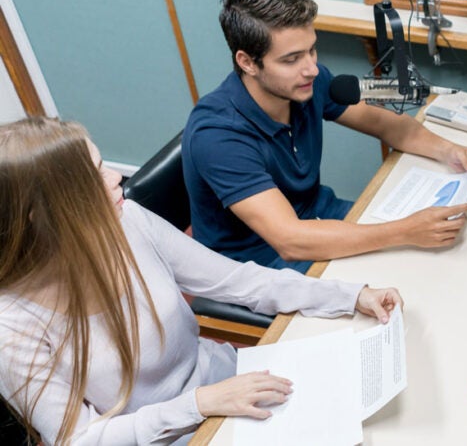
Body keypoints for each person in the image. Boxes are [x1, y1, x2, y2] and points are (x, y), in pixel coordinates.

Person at [0, 117, 403, 445]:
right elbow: (79, 440)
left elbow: (236, 281)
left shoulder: (129, 221)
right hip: (175, 432)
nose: (116, 179)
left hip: (236, 385)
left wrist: (350, 296)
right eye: (95, 176)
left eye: (103, 163)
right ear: (44, 214)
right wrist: (200, 404)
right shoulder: (12, 325)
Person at [183, 0, 467, 274]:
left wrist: (451, 152)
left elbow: (393, 128)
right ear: (247, 62)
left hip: (319, 219)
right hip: (259, 264)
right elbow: (290, 241)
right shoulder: (218, 136)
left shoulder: (307, 83)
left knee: (452, 257)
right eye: (291, 60)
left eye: (311, 50)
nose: (311, 69)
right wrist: (405, 231)